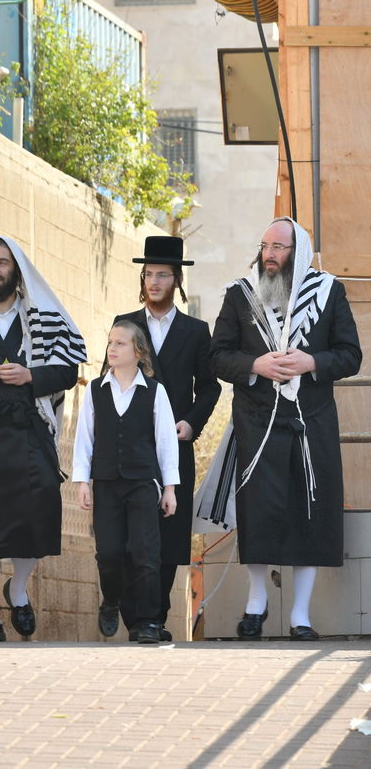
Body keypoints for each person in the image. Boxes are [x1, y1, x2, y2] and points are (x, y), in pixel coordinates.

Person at [205, 217, 362, 640]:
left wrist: (312, 362)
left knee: (310, 512)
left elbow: (350, 355)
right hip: (257, 421)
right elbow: (218, 356)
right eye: (265, 246)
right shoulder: (241, 293)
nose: (269, 255)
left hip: (312, 424)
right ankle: (255, 604)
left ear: (299, 253)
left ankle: (301, 616)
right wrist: (255, 364)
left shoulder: (329, 291)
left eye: (278, 247)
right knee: (259, 513)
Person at [0, 235, 85, 642]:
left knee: (35, 521)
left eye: (2, 262)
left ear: (16, 269)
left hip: (30, 430)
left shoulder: (43, 316)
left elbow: (67, 369)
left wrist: (31, 377)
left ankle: (19, 589)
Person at [113, 235, 220, 642]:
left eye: (163, 274)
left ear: (177, 280)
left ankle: (155, 615)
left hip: (176, 442)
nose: (154, 281)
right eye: (149, 274)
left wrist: (192, 423)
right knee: (128, 532)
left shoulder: (196, 331)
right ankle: (136, 613)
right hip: (130, 444)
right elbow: (110, 380)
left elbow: (209, 388)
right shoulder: (125, 325)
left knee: (169, 531)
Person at [72, 321, 179, 645]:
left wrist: (170, 488)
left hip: (143, 482)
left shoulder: (155, 391)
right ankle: (112, 599)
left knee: (146, 552)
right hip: (106, 483)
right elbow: (84, 439)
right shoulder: (94, 390)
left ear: (138, 351)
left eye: (120, 343)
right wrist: (82, 482)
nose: (112, 349)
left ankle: (147, 621)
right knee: (109, 552)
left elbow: (165, 442)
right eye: (110, 343)